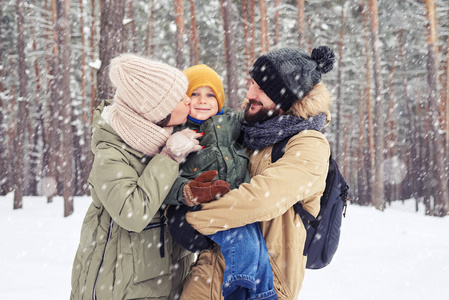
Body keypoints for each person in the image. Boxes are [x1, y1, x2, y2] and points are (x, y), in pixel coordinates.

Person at [181, 46, 336, 299]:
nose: (250, 93)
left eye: (262, 88)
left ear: (287, 98)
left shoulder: (309, 144)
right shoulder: (244, 133)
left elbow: (262, 198)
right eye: (251, 83)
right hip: (208, 276)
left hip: (264, 282)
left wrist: (191, 218)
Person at [70, 54, 203, 300]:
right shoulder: (112, 153)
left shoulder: (166, 136)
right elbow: (133, 214)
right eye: (178, 98)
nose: (188, 100)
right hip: (121, 288)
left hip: (165, 281)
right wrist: (169, 157)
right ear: (155, 113)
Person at [164, 64, 277, 300]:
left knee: (258, 247)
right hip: (204, 207)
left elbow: (264, 120)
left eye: (210, 95)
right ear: (183, 100)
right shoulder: (177, 133)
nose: (202, 101)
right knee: (243, 243)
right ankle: (238, 290)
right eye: (194, 94)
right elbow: (163, 183)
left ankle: (264, 295)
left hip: (235, 204)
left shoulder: (233, 122)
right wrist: (185, 192)